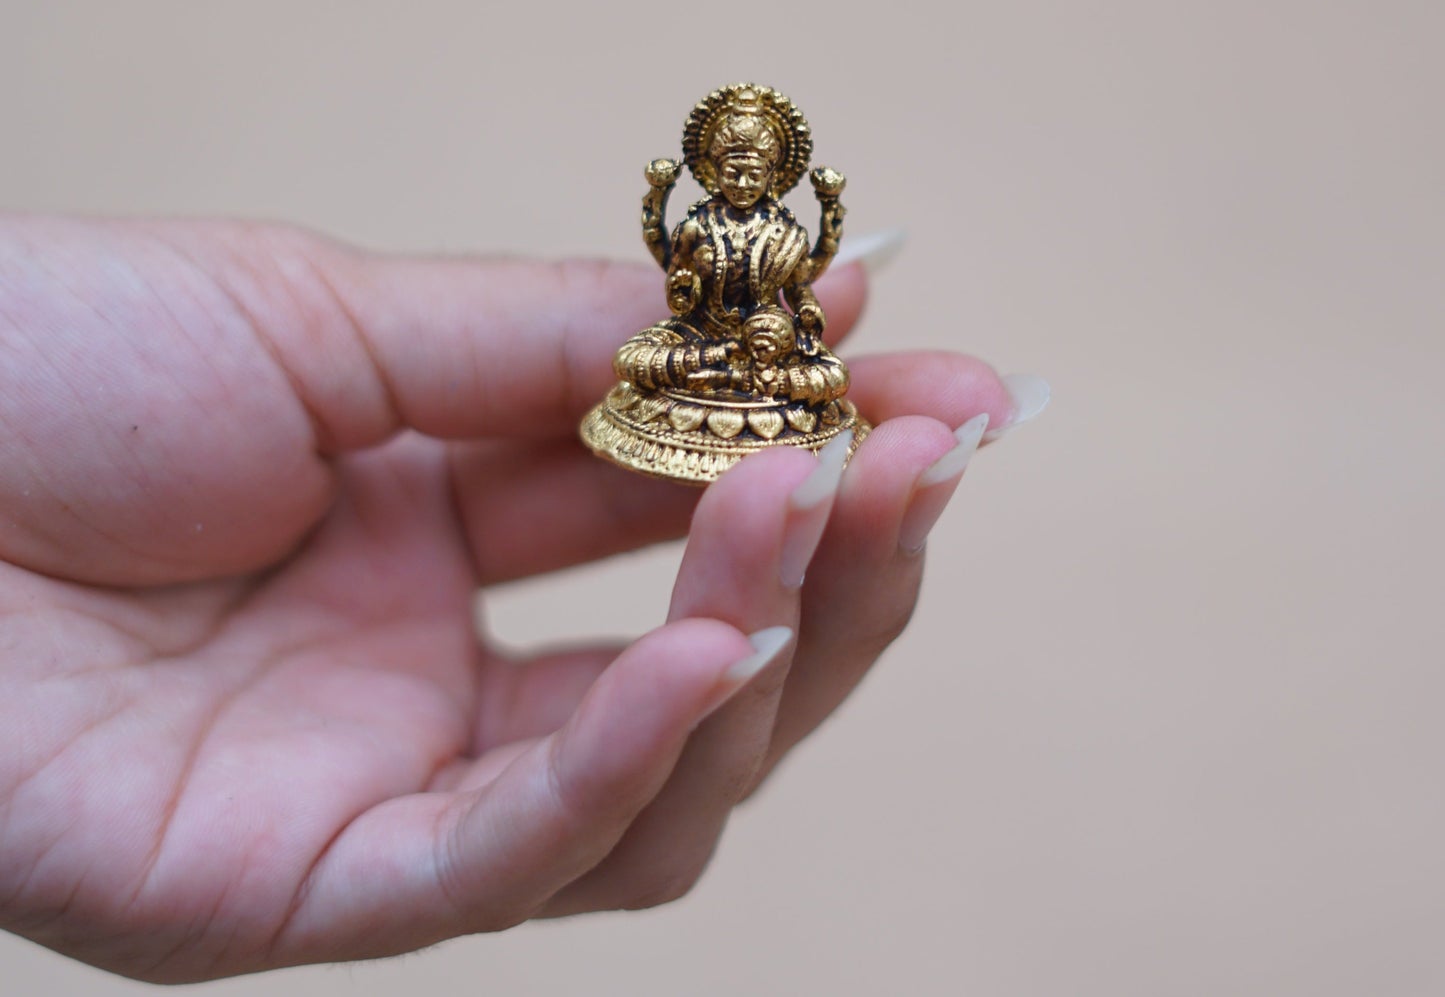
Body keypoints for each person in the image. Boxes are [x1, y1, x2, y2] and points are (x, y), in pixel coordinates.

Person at [0, 214, 1040, 983]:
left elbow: (792, 315)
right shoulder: (710, 215)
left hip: (763, 359)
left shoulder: (773, 224)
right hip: (683, 363)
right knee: (658, 351)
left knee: (778, 366)